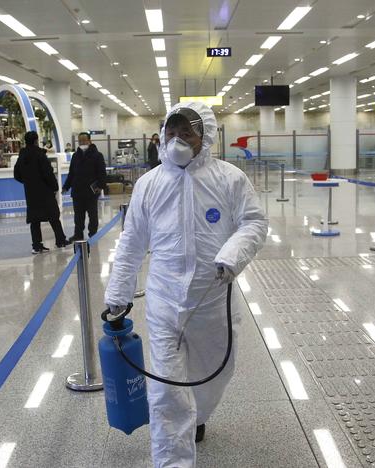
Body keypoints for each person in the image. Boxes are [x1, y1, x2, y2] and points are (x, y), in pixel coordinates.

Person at [104, 102, 267, 467]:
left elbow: (254, 223)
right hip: (164, 299)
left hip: (213, 297)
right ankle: (173, 460)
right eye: (171, 132)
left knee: (216, 372)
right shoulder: (149, 184)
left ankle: (199, 415)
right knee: (166, 391)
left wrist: (231, 256)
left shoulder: (229, 178)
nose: (177, 140)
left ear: (204, 137)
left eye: (186, 132)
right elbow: (132, 242)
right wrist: (118, 294)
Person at [14, 131, 72, 254]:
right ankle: (60, 240)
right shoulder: (40, 155)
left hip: (31, 193)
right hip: (45, 191)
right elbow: (48, 173)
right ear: (36, 141)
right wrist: (54, 186)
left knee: (34, 220)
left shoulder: (22, 156)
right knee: (54, 216)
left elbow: (16, 174)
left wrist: (28, 182)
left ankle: (36, 245)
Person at [62, 132, 107, 241]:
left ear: (90, 141)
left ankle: (93, 234)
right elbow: (71, 173)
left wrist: (101, 186)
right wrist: (66, 186)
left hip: (91, 191)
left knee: (93, 214)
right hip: (77, 190)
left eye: (84, 140)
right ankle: (78, 234)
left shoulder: (97, 155)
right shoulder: (75, 156)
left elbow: (102, 173)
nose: (82, 143)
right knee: (78, 215)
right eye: (80, 141)